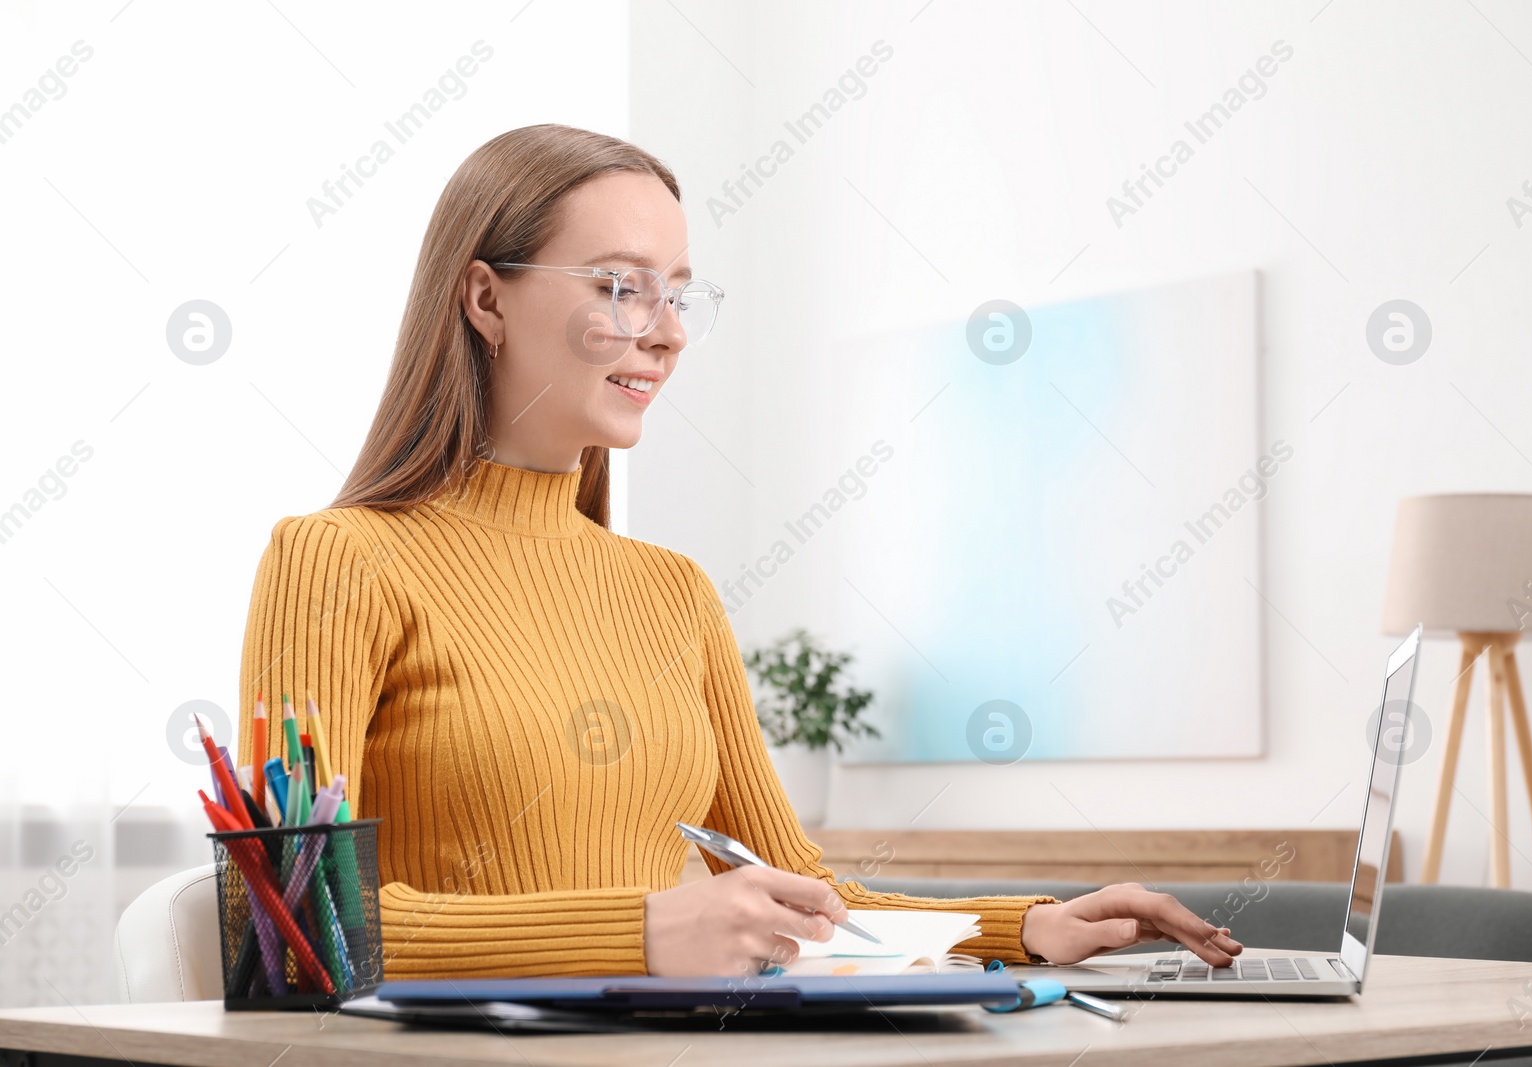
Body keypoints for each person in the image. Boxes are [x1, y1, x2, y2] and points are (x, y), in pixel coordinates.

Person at [236, 123, 1242, 979]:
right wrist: (640, 930)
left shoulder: (671, 591)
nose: (667, 332)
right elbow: (285, 931)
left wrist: (1024, 925)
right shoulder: (337, 560)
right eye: (621, 288)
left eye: (678, 292)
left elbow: (801, 890)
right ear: (486, 300)